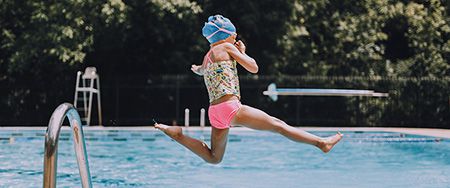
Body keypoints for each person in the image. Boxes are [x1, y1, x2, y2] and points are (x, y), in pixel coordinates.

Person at [155, 15, 342, 164]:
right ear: (224, 34)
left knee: (214, 157)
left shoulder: (208, 56)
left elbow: (201, 71)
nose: (235, 37)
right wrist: (242, 53)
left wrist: (197, 69)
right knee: (279, 125)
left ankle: (178, 136)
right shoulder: (227, 47)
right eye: (233, 34)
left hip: (215, 112)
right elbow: (254, 67)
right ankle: (321, 143)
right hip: (231, 107)